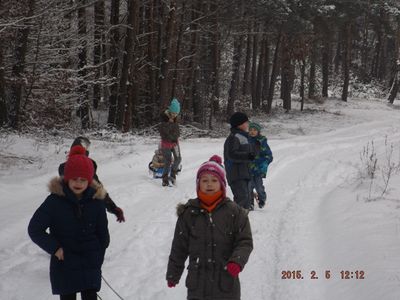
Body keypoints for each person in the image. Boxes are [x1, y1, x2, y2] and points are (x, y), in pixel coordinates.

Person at [28, 145, 110, 300]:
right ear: (66, 178)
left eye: (83, 179)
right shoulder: (54, 201)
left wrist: (98, 255)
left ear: (90, 179)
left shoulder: (96, 201)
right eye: (74, 178)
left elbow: (103, 234)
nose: (78, 183)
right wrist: (55, 248)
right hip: (65, 264)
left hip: (90, 262)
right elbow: (35, 229)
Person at [166, 155, 253, 300]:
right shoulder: (188, 213)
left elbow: (245, 241)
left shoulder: (235, 212)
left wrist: (237, 261)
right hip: (197, 285)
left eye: (214, 180)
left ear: (222, 184)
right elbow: (179, 247)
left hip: (226, 282)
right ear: (198, 184)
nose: (209, 184)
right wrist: (173, 274)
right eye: (204, 180)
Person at [59, 137, 125, 222]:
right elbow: (99, 190)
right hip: (84, 214)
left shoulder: (64, 167)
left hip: (66, 215)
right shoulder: (87, 166)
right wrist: (113, 208)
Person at [223, 112, 257, 210]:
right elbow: (231, 154)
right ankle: (236, 221)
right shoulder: (234, 137)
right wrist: (247, 156)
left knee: (248, 198)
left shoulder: (245, 136)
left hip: (245, 173)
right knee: (242, 199)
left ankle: (244, 219)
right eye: (246, 122)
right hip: (236, 174)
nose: (248, 124)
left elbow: (250, 152)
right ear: (240, 124)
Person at [248, 122, 273, 209]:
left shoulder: (262, 141)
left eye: (254, 130)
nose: (252, 132)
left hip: (258, 170)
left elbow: (269, 156)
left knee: (259, 187)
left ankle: (262, 198)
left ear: (258, 131)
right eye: (250, 130)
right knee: (249, 187)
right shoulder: (246, 141)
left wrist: (262, 161)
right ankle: (250, 203)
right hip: (248, 169)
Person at [159, 98, 182, 186]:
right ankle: (165, 180)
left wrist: (174, 136)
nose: (175, 115)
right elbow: (164, 133)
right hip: (166, 144)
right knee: (167, 161)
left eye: (176, 114)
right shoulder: (164, 118)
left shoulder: (176, 118)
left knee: (178, 159)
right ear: (170, 111)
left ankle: (173, 175)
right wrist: (169, 124)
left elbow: (177, 132)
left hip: (175, 143)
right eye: (173, 113)